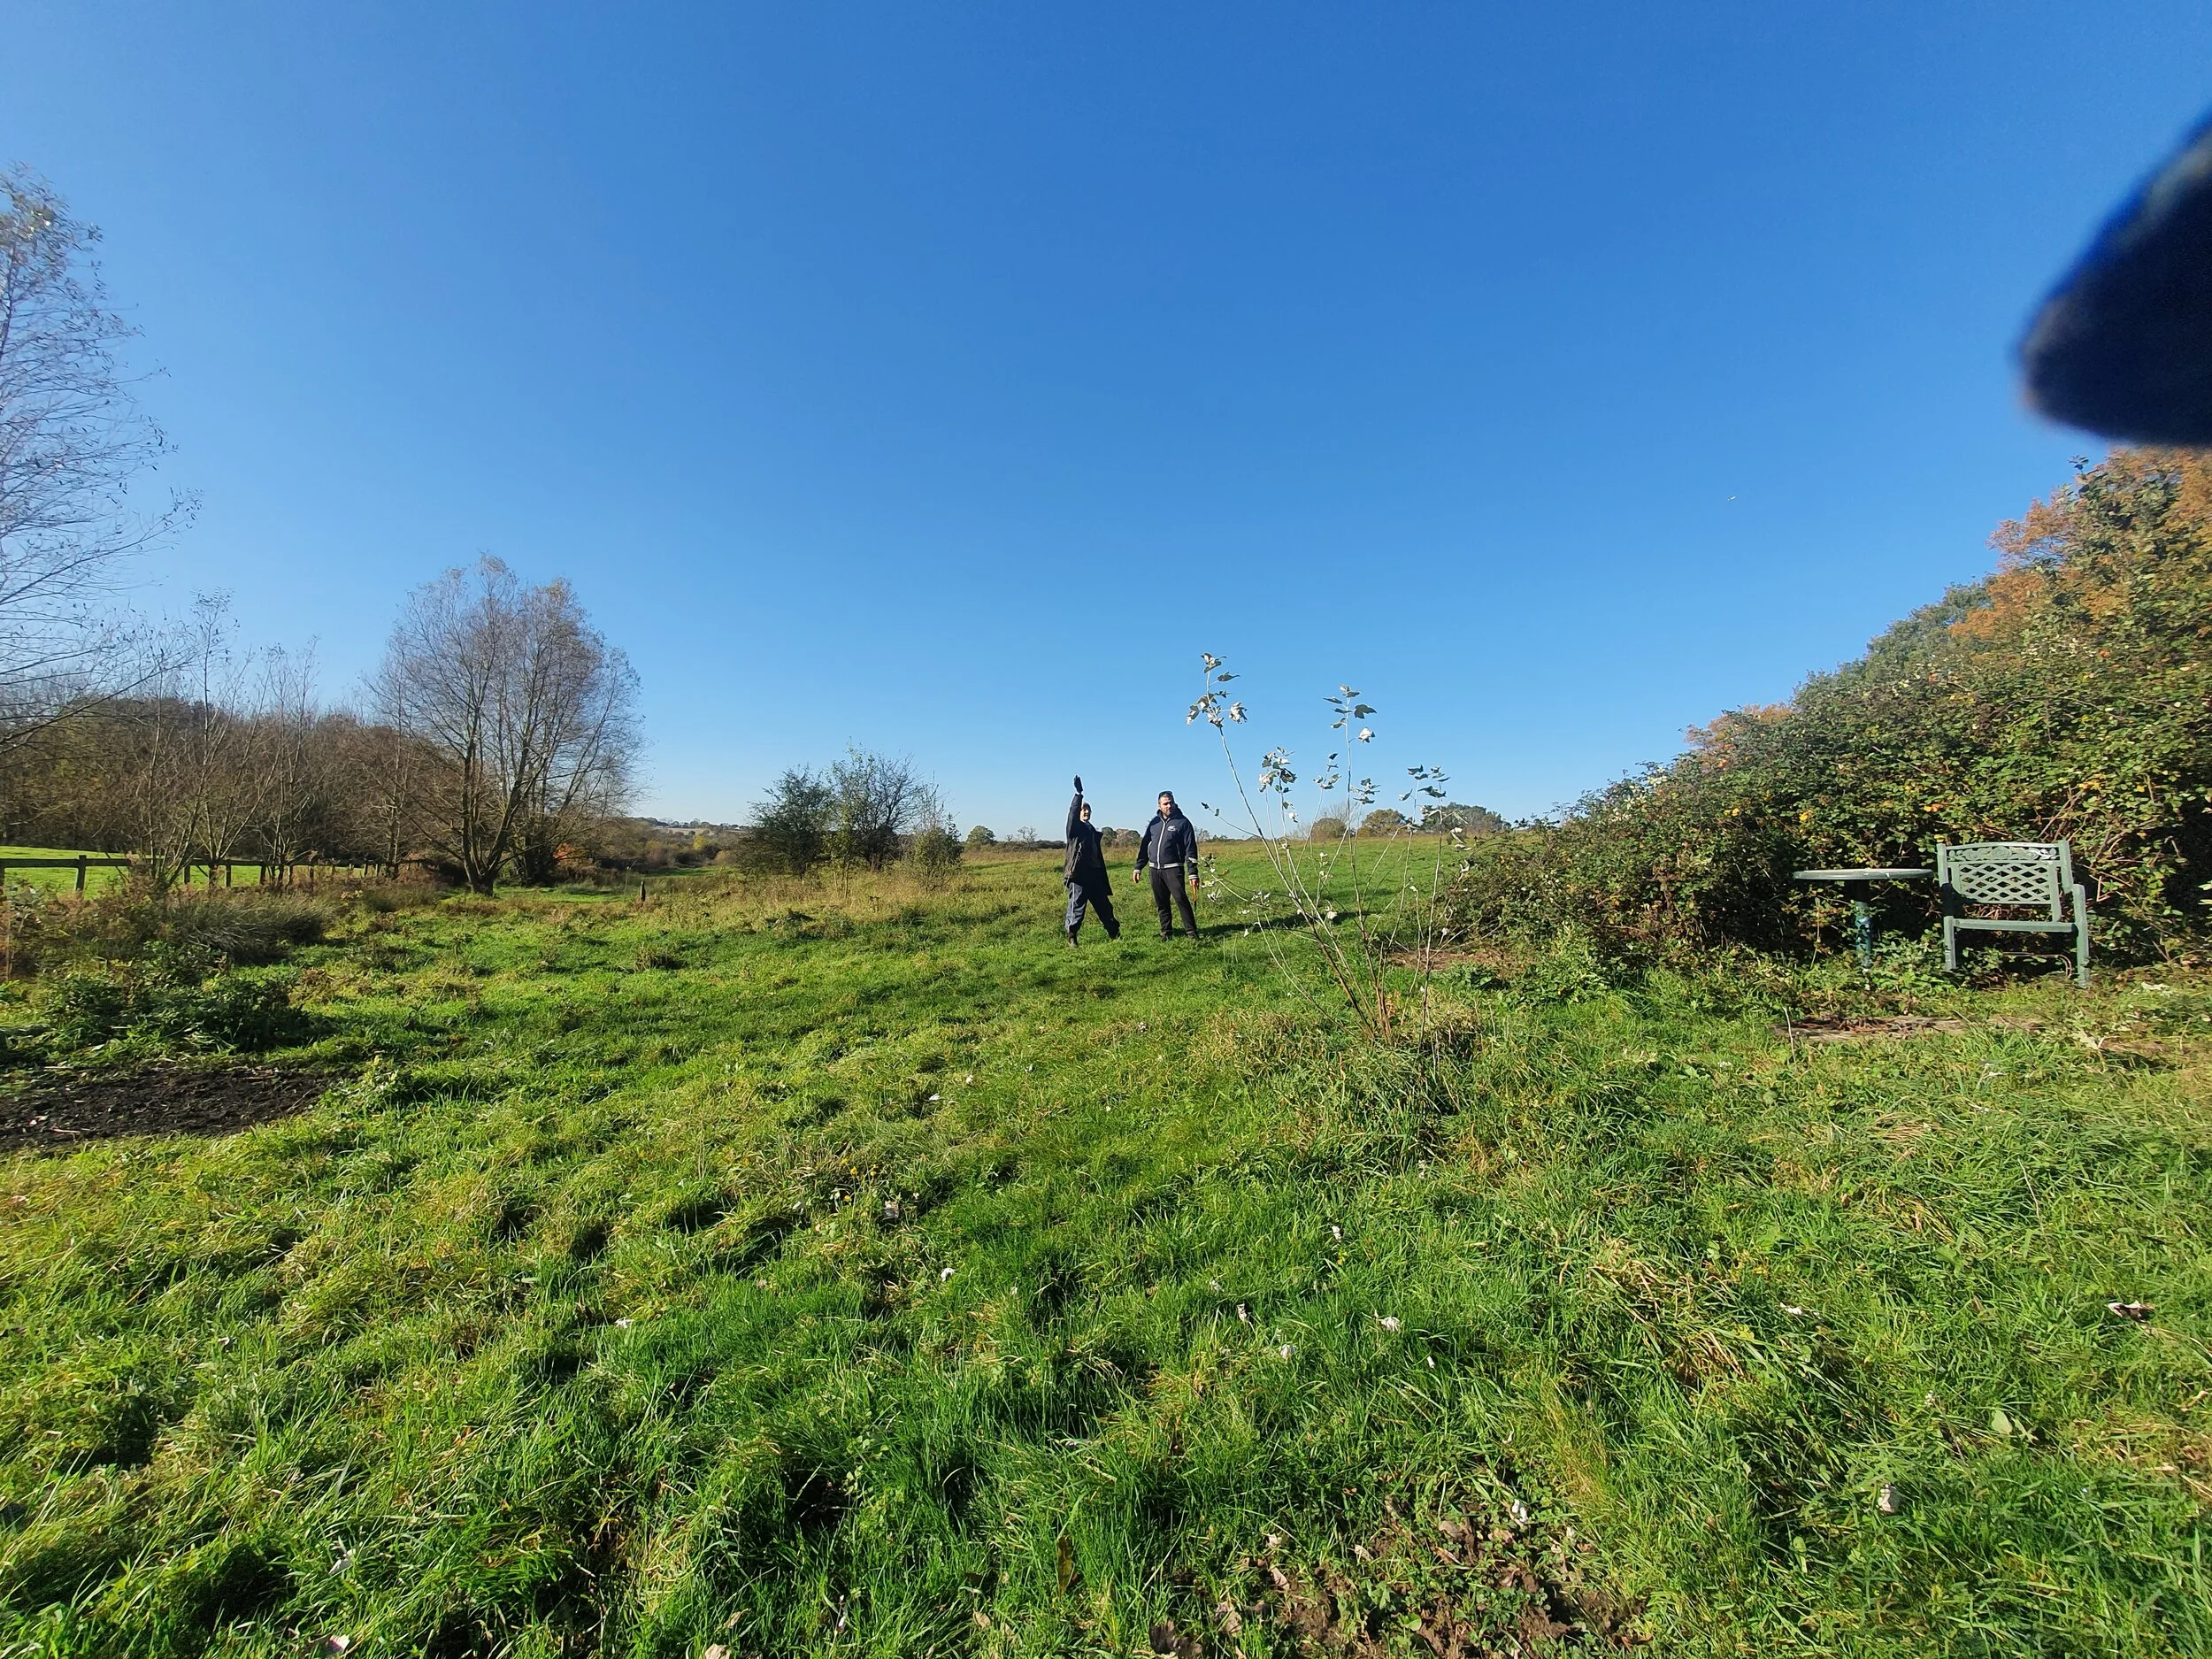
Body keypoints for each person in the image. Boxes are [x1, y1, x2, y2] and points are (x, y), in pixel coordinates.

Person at [1133, 789, 1200, 941]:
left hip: (1173, 868)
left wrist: (1193, 873)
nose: (1169, 806)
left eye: (1171, 803)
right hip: (1155, 869)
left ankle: (1191, 932)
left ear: (1174, 803)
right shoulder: (1154, 823)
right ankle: (1166, 932)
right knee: (1161, 902)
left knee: (1181, 899)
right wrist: (1138, 867)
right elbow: (1144, 846)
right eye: (1165, 804)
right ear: (1159, 805)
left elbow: (1191, 849)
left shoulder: (1183, 823)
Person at [1062, 775, 1119, 945]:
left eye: (1088, 810)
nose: (1086, 812)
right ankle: (1072, 937)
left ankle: (1114, 933)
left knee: (1104, 906)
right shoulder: (1075, 830)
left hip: (1095, 875)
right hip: (1078, 875)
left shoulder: (1092, 831)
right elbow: (1072, 815)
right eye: (1083, 810)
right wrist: (1078, 795)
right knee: (1076, 907)